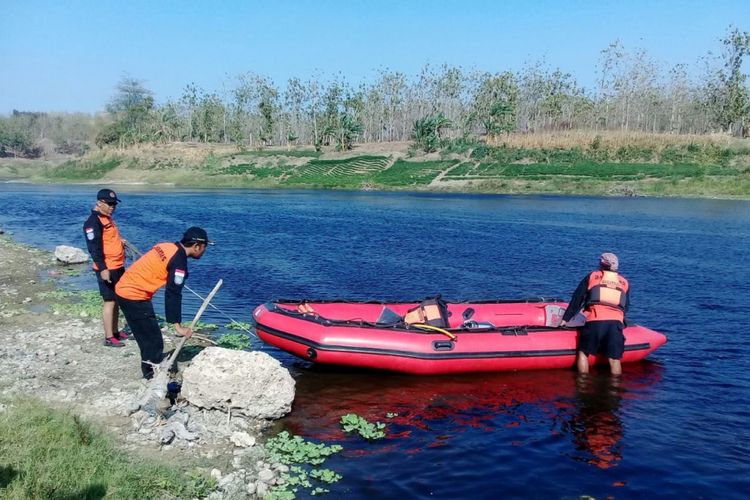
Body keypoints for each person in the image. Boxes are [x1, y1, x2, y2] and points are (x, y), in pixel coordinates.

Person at [115, 227, 210, 379]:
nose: (204, 251)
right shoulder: (179, 262)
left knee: (147, 336)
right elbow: (173, 293)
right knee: (153, 341)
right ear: (196, 246)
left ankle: (150, 369)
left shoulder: (166, 246)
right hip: (134, 295)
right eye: (204, 247)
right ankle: (151, 377)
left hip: (124, 287)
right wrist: (178, 326)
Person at [560, 252, 630, 375]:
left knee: (583, 353)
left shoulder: (592, 276)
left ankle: (582, 382)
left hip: (595, 321)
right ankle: (615, 388)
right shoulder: (624, 282)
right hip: (615, 324)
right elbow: (626, 307)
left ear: (602, 264)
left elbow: (577, 299)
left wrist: (565, 319)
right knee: (614, 359)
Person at [83, 188, 129, 347]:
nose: (112, 207)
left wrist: (119, 243)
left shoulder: (107, 218)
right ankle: (109, 337)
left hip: (117, 265)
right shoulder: (92, 222)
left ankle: (115, 332)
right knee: (109, 301)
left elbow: (108, 240)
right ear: (100, 203)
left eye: (114, 204)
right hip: (107, 267)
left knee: (117, 300)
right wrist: (103, 269)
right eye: (109, 204)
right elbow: (94, 247)